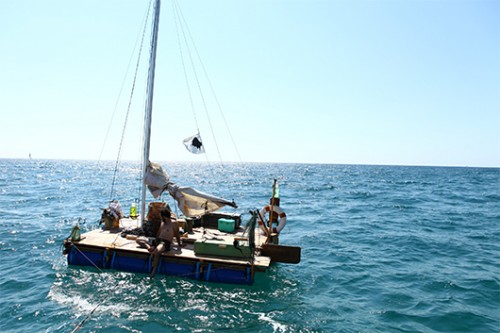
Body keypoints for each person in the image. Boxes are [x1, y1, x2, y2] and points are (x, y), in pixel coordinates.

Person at [145, 206, 183, 278]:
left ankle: (153, 271)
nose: (160, 218)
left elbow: (177, 235)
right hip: (158, 241)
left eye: (161, 216)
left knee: (157, 251)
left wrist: (179, 244)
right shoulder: (162, 222)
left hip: (165, 243)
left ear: (164, 216)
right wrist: (154, 241)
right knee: (139, 240)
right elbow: (158, 233)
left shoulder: (174, 223)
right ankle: (150, 247)